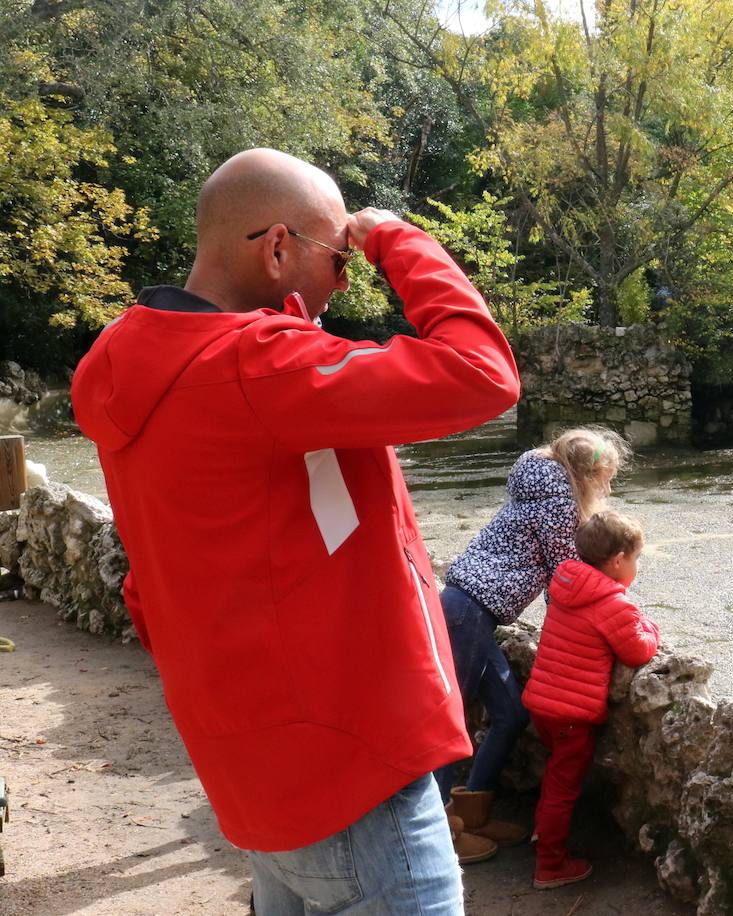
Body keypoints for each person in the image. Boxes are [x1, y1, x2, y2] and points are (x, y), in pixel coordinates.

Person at [71, 148, 521, 915]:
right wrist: (396, 240)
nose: (348, 279)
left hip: (259, 772)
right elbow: (483, 374)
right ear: (277, 249)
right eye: (339, 259)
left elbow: (152, 589)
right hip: (357, 774)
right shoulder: (259, 370)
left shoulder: (130, 359)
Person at [434, 428, 629, 854]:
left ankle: (473, 816)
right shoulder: (558, 505)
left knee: (511, 714)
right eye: (605, 479)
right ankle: (441, 836)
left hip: (467, 609)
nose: (607, 488)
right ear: (585, 474)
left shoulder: (537, 485)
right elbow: (567, 574)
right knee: (452, 725)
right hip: (469, 612)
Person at [521, 509, 660, 888]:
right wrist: (652, 626)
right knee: (562, 787)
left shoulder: (565, 585)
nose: (636, 566)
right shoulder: (612, 603)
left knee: (554, 777)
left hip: (542, 705)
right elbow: (638, 651)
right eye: (635, 559)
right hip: (571, 715)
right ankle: (549, 865)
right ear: (617, 561)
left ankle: (541, 831)